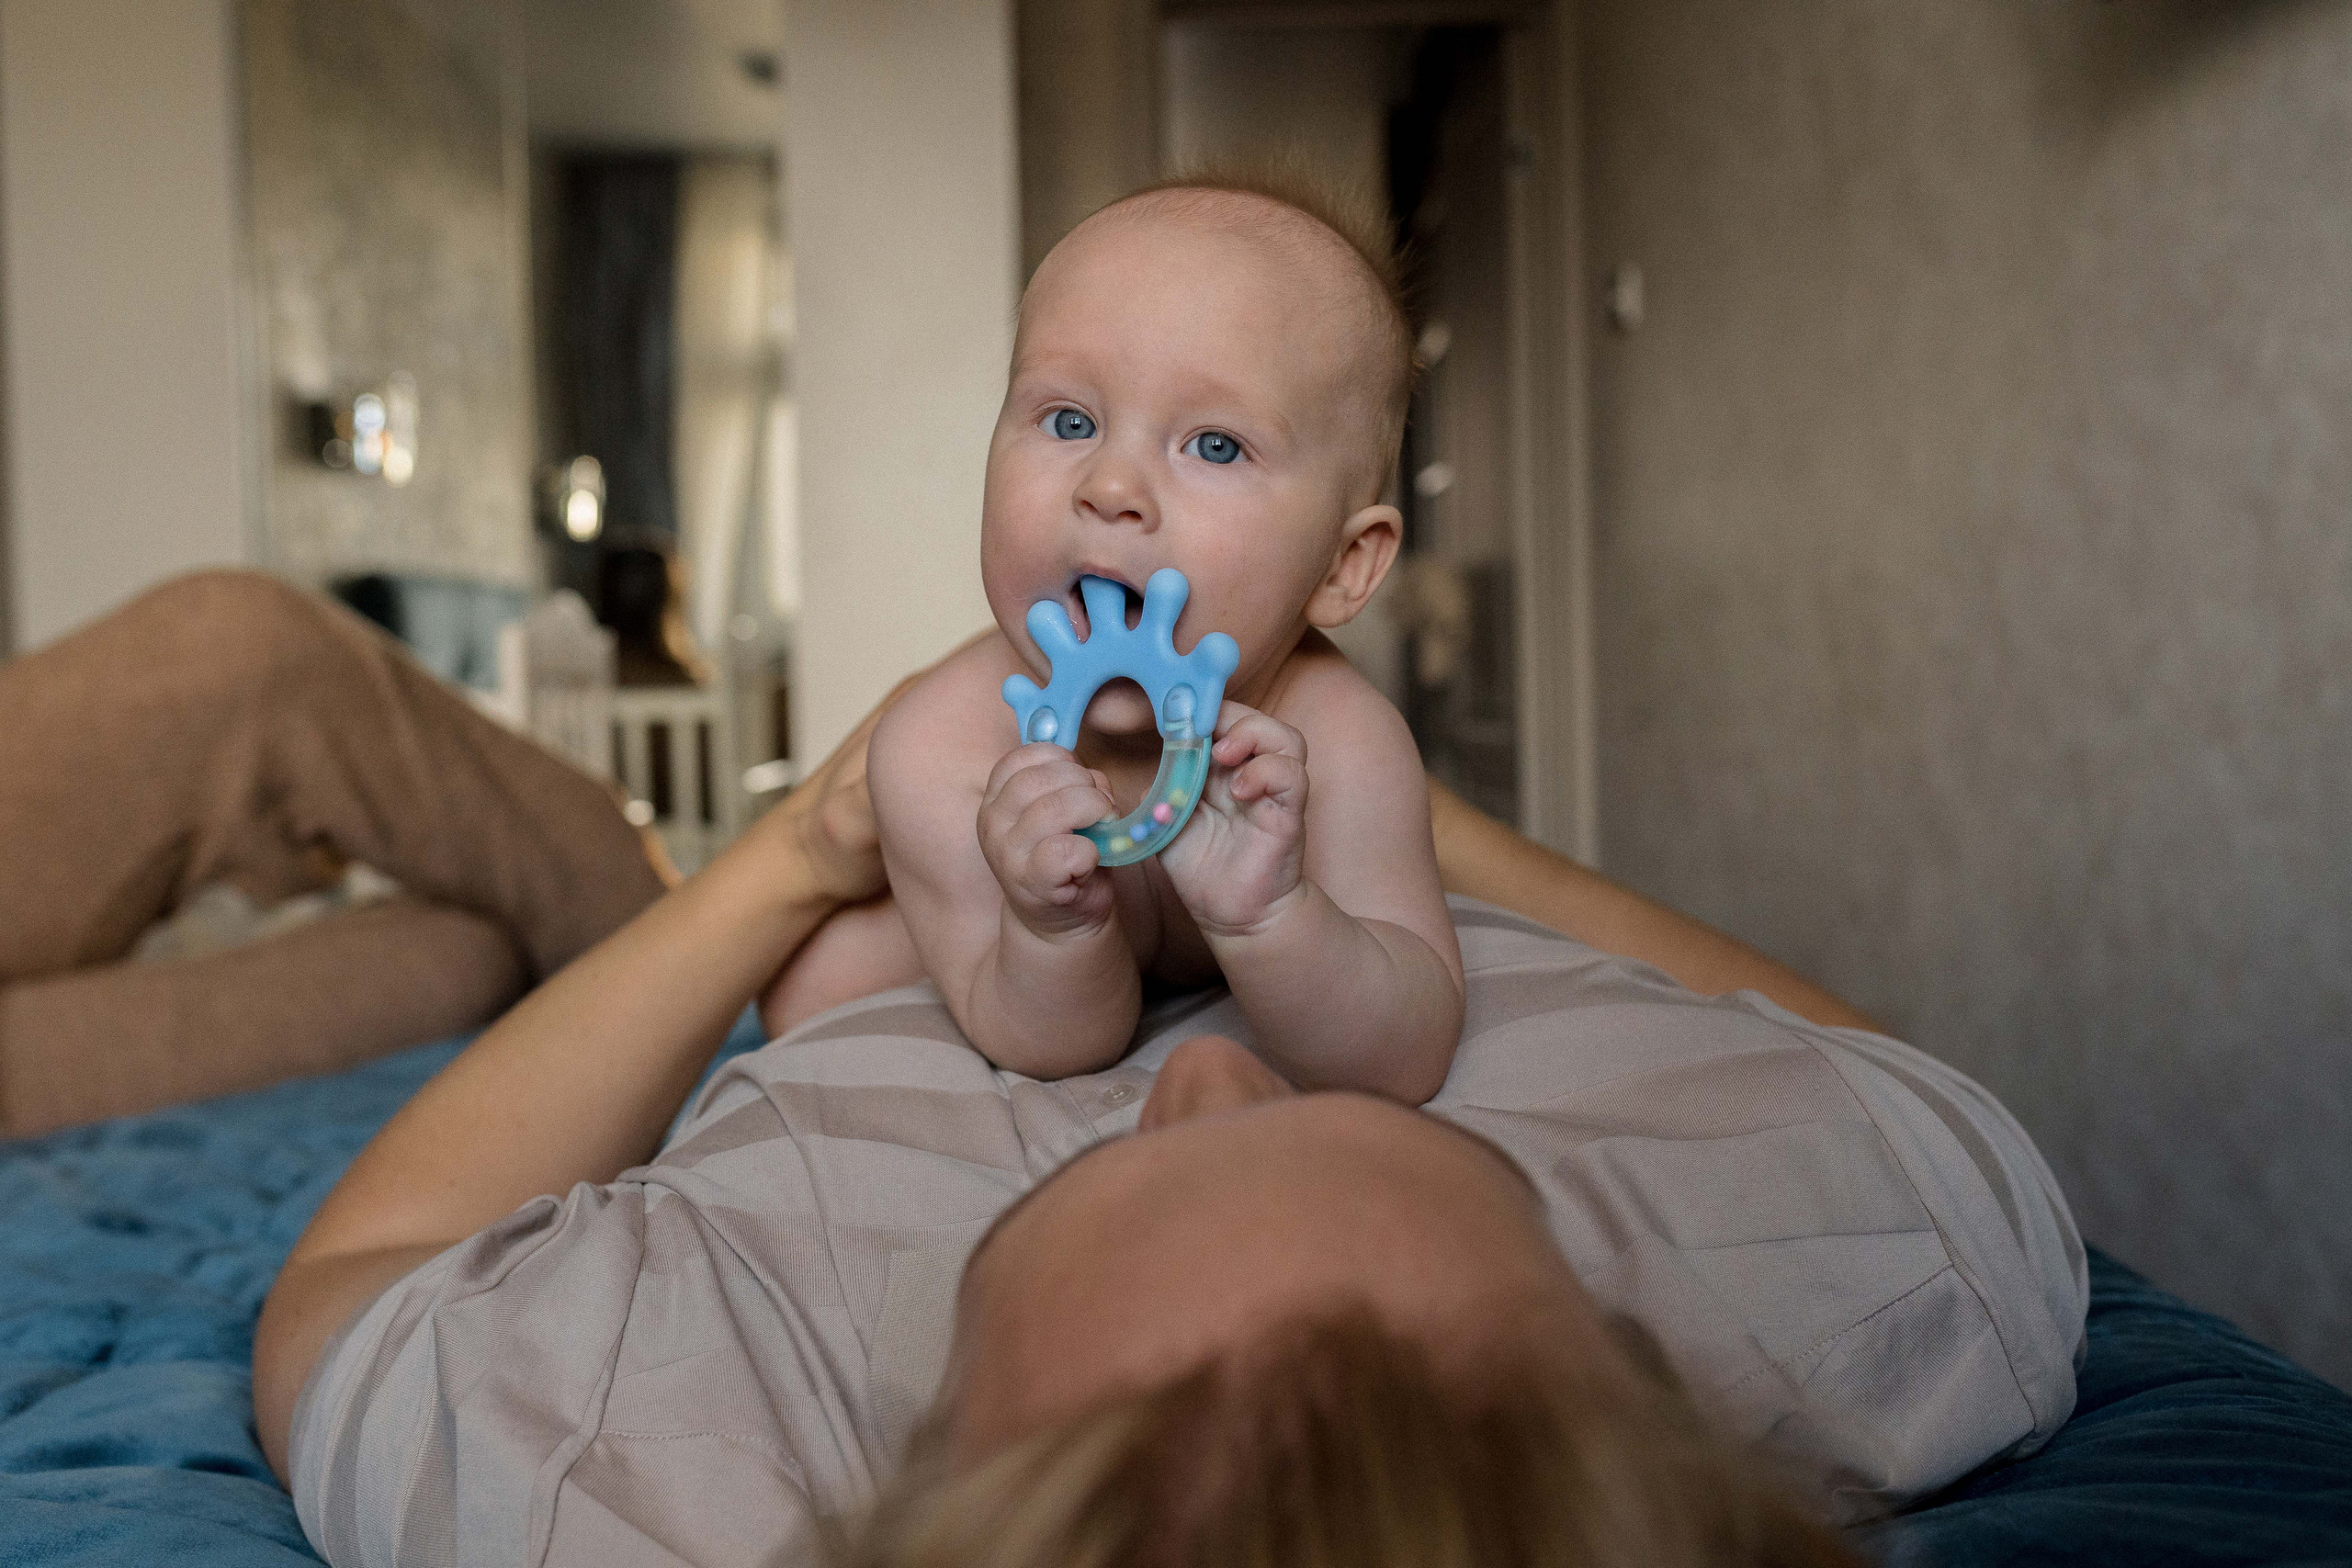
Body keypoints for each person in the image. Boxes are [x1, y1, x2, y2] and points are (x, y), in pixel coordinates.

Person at [222, 612, 2083, 1562]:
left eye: (1072, 1192)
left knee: (394, 904)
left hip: (861, 922)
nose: (1187, 1084)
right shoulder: (1861, 1267)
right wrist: (1407, 830)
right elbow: (1882, 1075)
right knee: (368, 865)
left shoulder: (645, 1466)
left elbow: (358, 1272)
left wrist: (797, 850)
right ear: (1651, 1362)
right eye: (1390, 1146)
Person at [868, 171, 1462, 1101]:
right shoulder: (937, 751)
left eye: (1215, 445)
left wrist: (1276, 920)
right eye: (1069, 420)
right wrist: (1050, 932)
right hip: (925, 909)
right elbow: (1050, 1046)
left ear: (1344, 566)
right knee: (822, 980)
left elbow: (1406, 1051)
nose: (1110, 485)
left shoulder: (1340, 744)